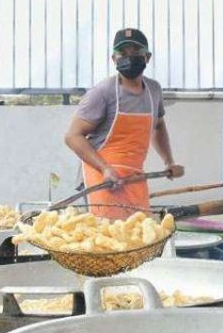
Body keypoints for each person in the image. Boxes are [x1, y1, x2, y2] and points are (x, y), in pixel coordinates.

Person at [65, 28, 184, 219]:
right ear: (114, 59)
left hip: (133, 177)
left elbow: (158, 126)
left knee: (137, 237)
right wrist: (105, 168)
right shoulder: (102, 93)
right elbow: (72, 136)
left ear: (147, 57)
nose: (129, 57)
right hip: (102, 179)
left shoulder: (153, 90)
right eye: (123, 53)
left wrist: (169, 162)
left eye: (136, 53)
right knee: (107, 239)